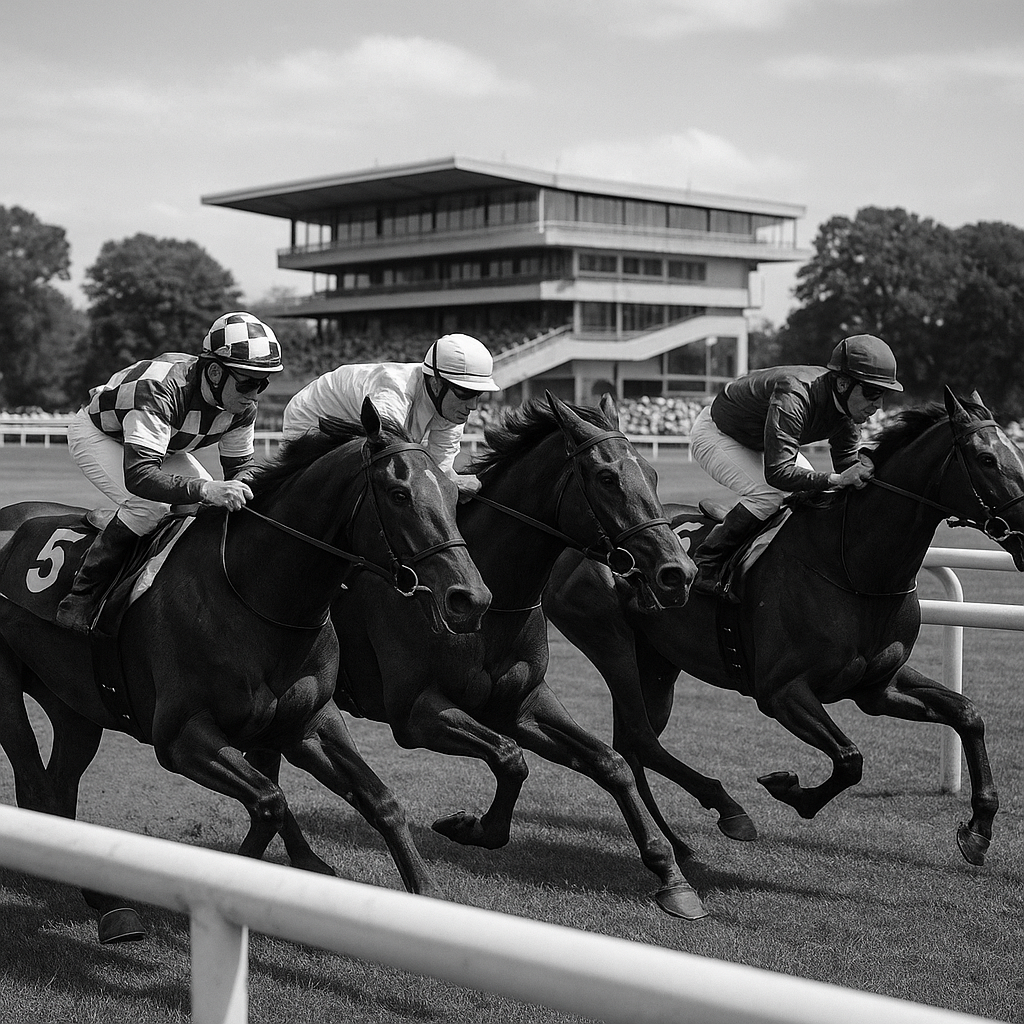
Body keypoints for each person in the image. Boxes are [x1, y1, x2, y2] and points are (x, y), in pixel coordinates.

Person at [55, 311, 283, 633]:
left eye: (262, 383)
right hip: (99, 434)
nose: (254, 394)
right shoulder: (160, 390)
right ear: (215, 372)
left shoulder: (241, 407)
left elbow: (240, 468)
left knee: (205, 506)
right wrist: (207, 489)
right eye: (247, 383)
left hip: (162, 445)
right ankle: (80, 599)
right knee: (149, 506)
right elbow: (140, 475)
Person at [687, 334, 903, 599]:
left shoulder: (846, 412)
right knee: (768, 495)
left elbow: (848, 466)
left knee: (816, 496)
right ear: (844, 383)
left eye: (883, 395)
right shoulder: (794, 394)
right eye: (872, 393)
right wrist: (836, 479)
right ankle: (706, 564)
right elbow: (778, 473)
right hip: (718, 434)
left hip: (761, 441)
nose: (878, 405)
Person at [282, 333, 500, 499]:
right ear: (436, 383)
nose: (472, 405)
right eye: (465, 393)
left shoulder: (450, 407)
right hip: (312, 419)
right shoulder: (394, 389)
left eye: (478, 394)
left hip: (354, 426)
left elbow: (441, 470)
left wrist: (452, 480)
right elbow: (393, 462)